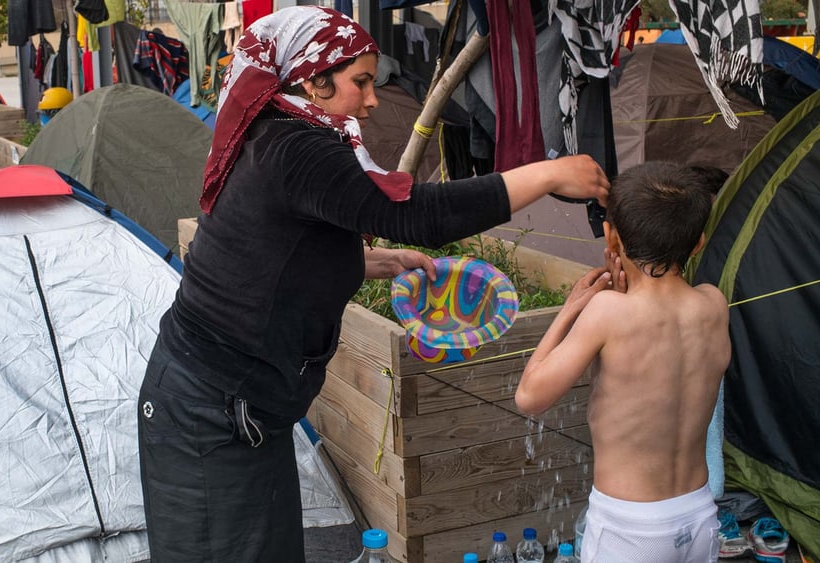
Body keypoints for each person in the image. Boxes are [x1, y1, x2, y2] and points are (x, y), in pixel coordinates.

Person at [137, 6, 609, 561]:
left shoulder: (276, 129)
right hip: (211, 413)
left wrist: (373, 262)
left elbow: (269, 252)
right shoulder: (295, 147)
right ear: (313, 79)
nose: (372, 99)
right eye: (359, 82)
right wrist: (547, 173)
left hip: (240, 407)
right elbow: (417, 214)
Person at [515, 161, 731, 563]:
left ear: (611, 237)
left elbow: (530, 396)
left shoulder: (607, 312)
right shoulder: (713, 305)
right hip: (698, 516)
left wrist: (572, 307)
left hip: (630, 528)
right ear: (698, 243)